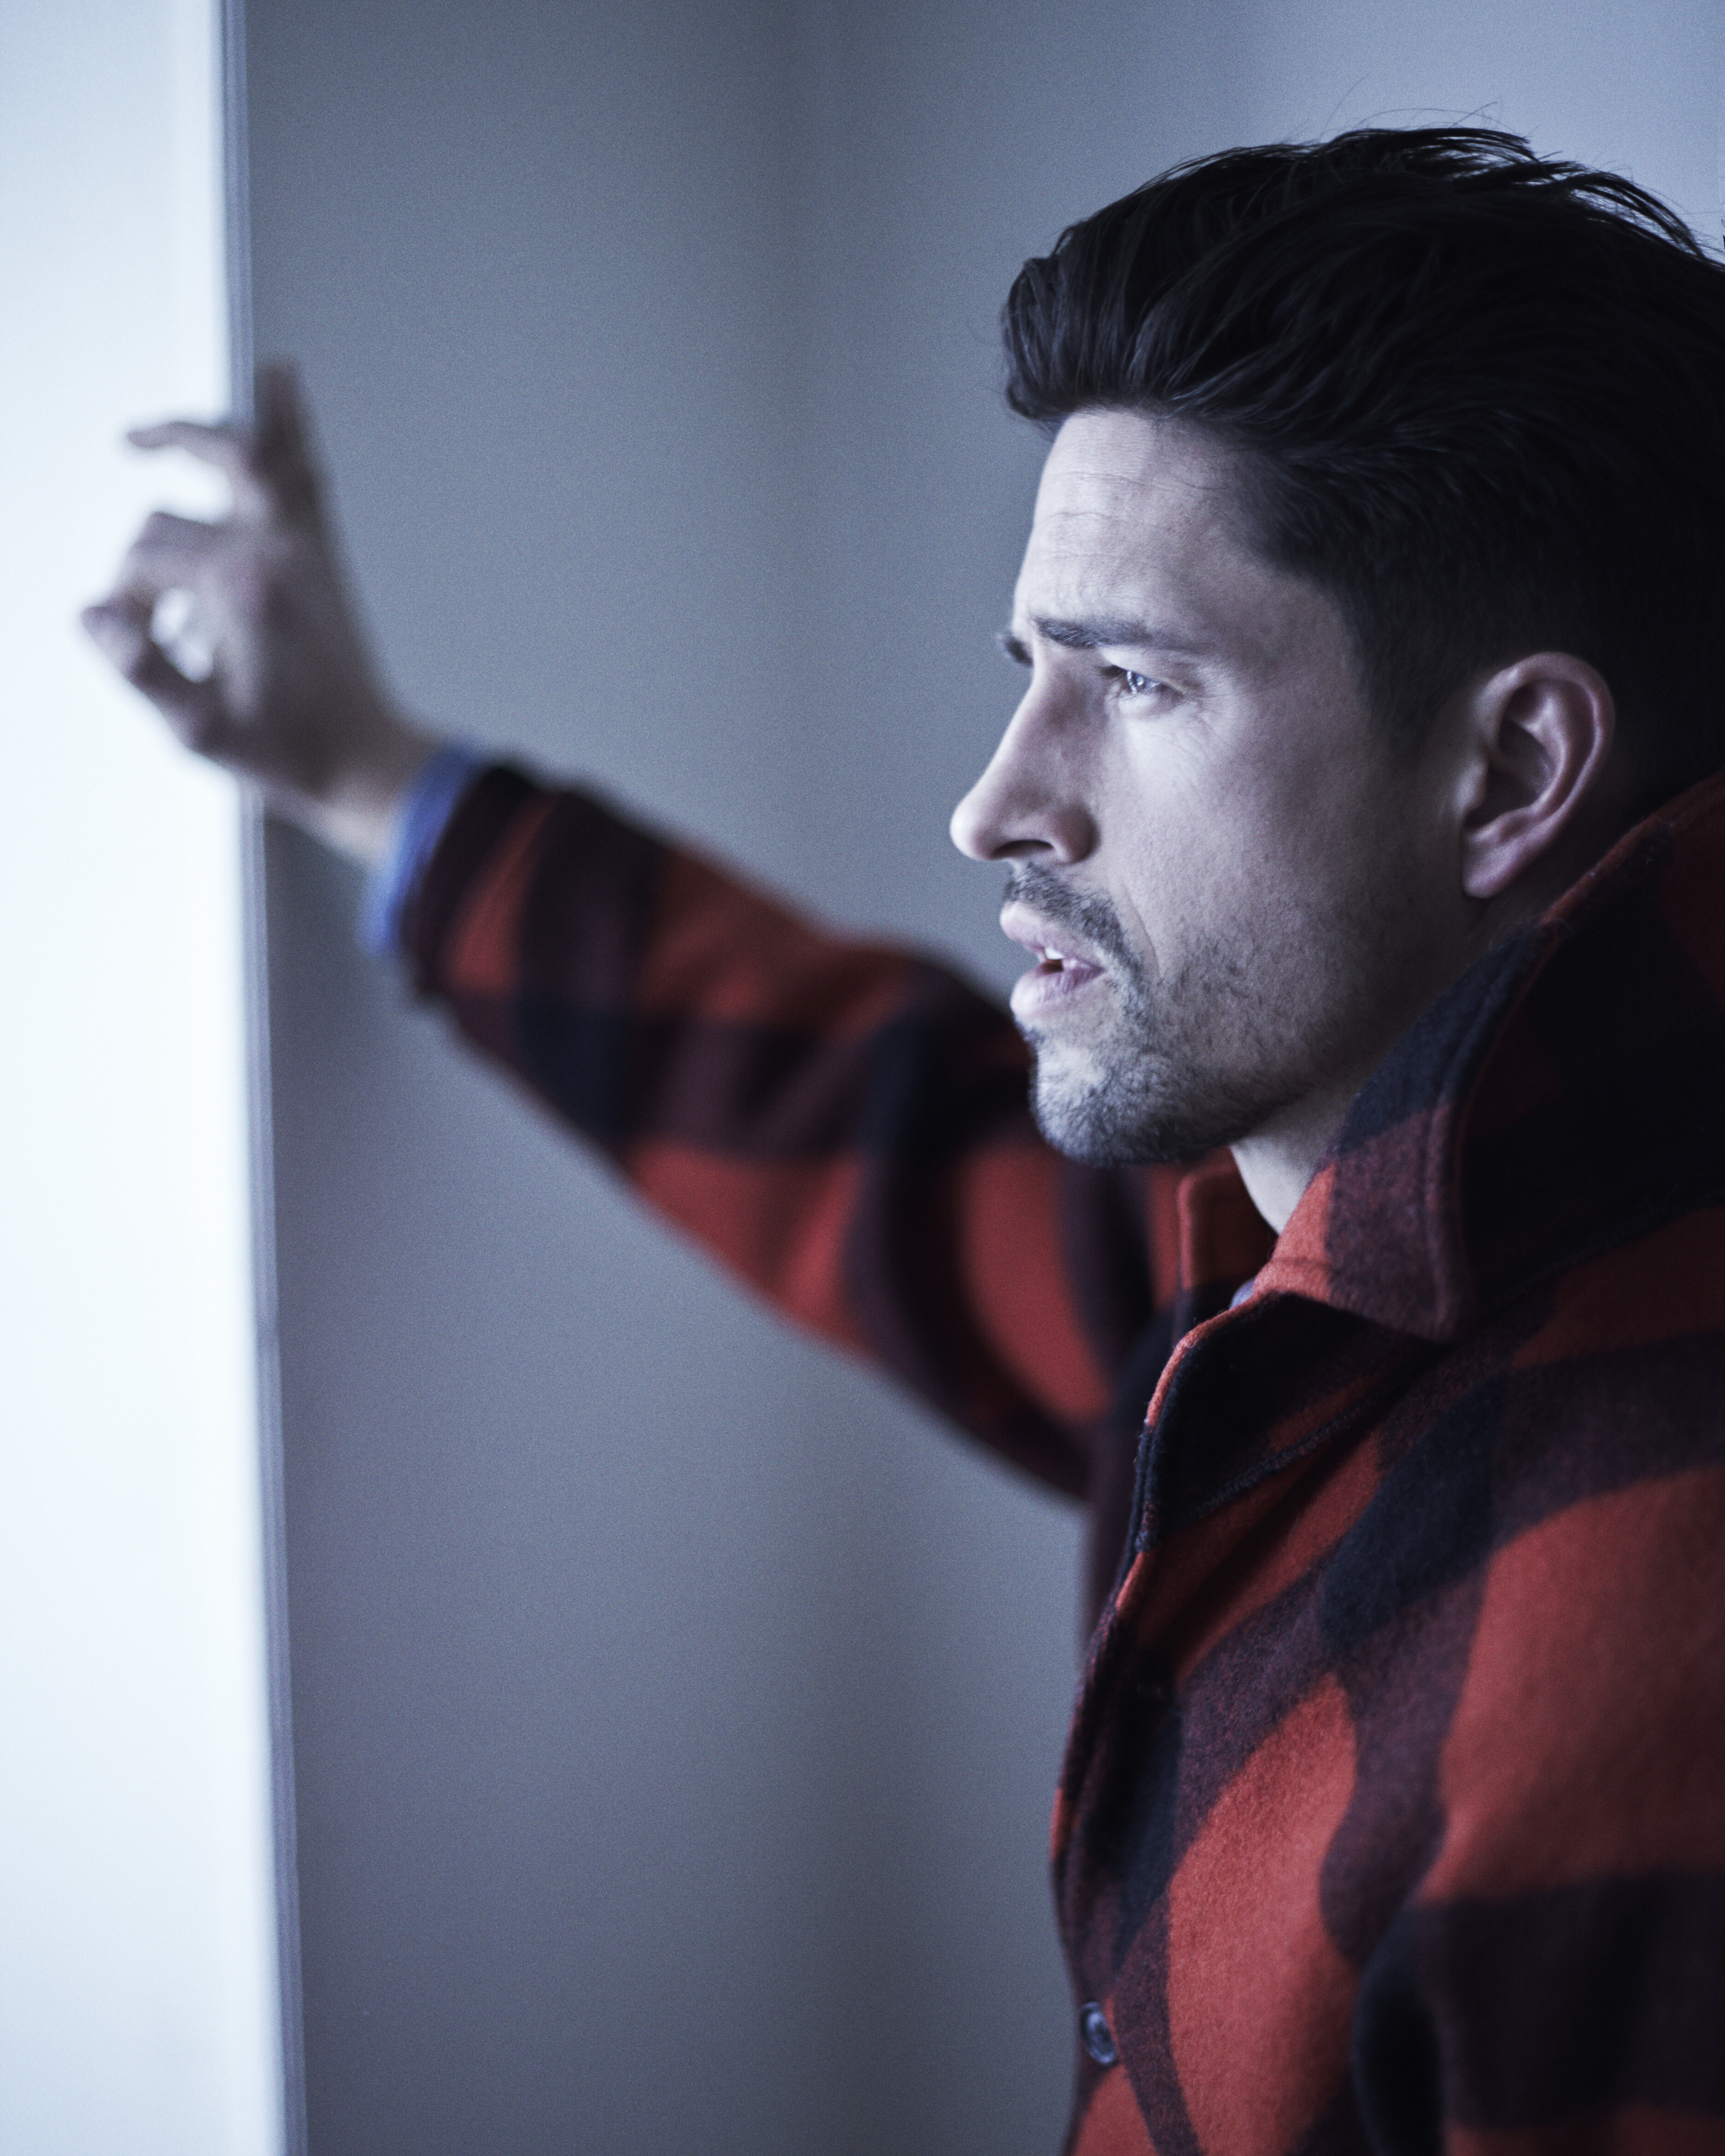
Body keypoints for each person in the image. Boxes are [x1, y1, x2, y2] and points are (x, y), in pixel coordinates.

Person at [85, 127, 1725, 2154]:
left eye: (1135, 683)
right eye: (1030, 671)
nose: (995, 804)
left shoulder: (1646, 1630)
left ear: (1513, 769)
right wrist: (365, 773)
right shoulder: (1317, 1265)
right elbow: (893, 1143)